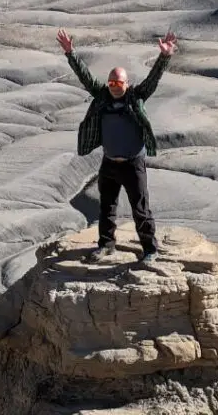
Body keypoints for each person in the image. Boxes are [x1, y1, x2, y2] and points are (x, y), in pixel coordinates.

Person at [56, 27, 178, 263]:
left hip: (133, 164)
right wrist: (70, 53)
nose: (113, 85)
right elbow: (85, 78)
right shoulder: (102, 97)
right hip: (109, 163)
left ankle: (150, 250)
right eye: (110, 81)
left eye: (118, 82)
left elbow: (152, 80)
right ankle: (106, 245)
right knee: (106, 208)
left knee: (140, 210)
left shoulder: (136, 97)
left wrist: (165, 56)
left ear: (126, 83)